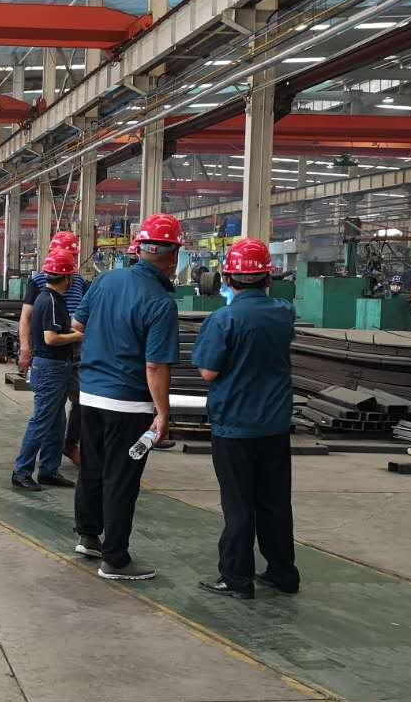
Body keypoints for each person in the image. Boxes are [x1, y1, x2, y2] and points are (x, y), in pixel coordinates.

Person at [70, 214, 182, 581]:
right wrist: (162, 413)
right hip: (129, 405)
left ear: (139, 250)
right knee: (121, 479)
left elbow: (78, 325)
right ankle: (115, 558)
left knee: (92, 468)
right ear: (173, 255)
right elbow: (155, 366)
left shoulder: (105, 281)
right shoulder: (160, 302)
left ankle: (88, 536)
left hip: (90, 396)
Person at [191, 239, 299, 600]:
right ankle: (283, 573)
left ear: (227, 279)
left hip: (234, 425)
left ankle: (237, 577)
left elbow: (208, 371)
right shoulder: (284, 313)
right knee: (274, 501)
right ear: (268, 277)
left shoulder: (223, 320)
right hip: (275, 424)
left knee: (238, 504)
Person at [11, 248, 83, 492]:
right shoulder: (50, 301)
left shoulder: (50, 298)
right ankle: (22, 471)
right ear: (67, 277)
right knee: (42, 421)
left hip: (56, 367)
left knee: (57, 422)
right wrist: (78, 336)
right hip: (50, 368)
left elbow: (57, 331)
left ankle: (49, 471)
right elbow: (51, 338)